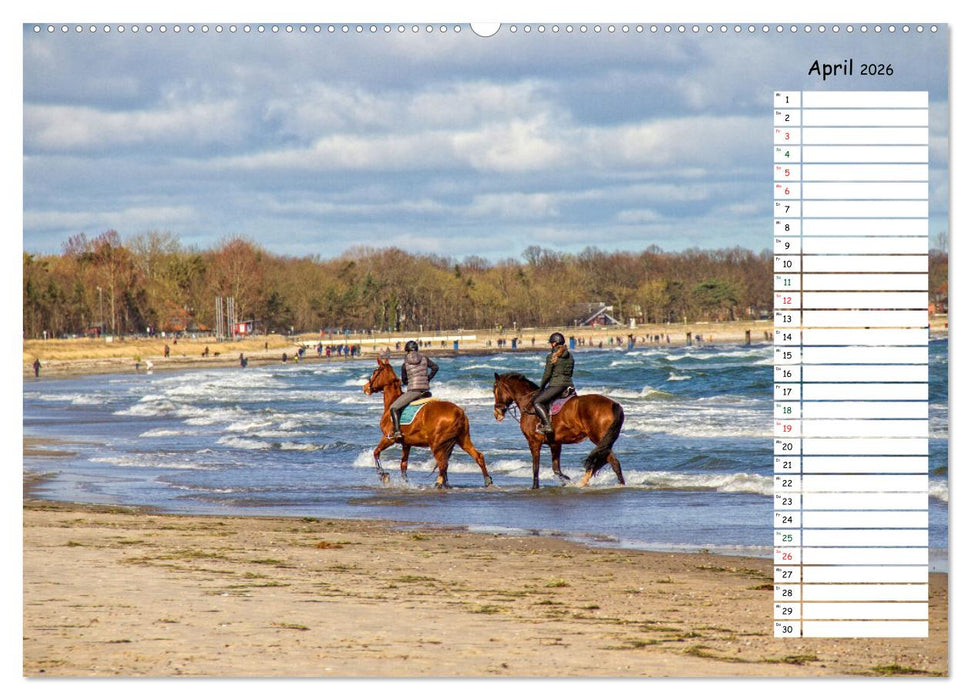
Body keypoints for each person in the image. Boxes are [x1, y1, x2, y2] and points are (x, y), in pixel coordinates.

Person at [388, 340, 439, 441]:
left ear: (407, 351)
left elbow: (405, 380)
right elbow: (435, 367)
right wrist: (428, 378)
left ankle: (397, 431)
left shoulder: (405, 364)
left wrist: (409, 382)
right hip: (425, 391)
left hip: (414, 391)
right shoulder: (424, 359)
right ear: (416, 349)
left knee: (393, 408)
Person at [532, 332, 575, 436]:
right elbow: (571, 372)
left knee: (537, 402)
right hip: (569, 385)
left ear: (555, 343)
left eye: (551, 343)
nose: (551, 345)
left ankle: (547, 425)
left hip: (557, 385)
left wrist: (541, 387)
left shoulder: (551, 356)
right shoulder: (570, 356)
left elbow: (547, 374)